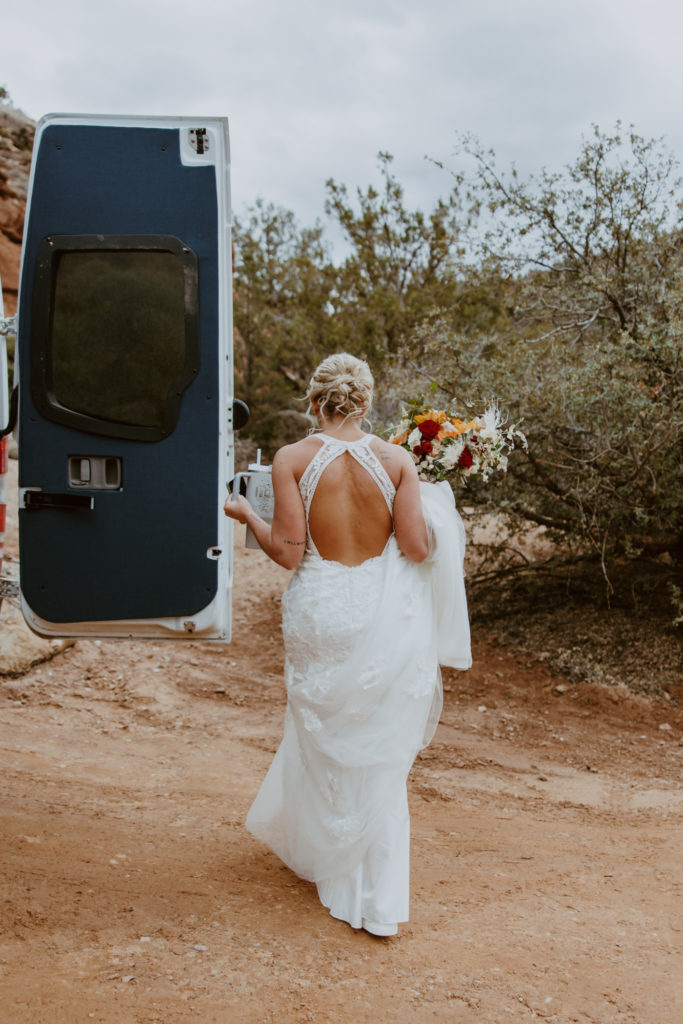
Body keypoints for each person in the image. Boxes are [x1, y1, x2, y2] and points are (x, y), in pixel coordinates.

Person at [224, 353, 470, 937]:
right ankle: (379, 900)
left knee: (327, 741)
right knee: (380, 749)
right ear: (364, 403)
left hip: (322, 610)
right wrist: (436, 508)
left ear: (314, 402)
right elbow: (414, 549)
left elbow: (288, 551)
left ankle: (333, 866)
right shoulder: (398, 460)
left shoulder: (291, 459)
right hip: (384, 616)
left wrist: (244, 516)